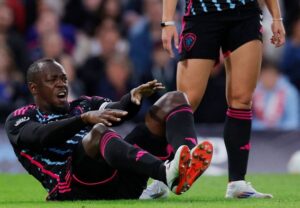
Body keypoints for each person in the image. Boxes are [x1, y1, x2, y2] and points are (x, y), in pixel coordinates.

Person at [5, 58, 213, 200]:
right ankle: (167, 173)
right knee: (98, 132)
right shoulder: (20, 118)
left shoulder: (84, 103)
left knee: (174, 99)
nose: (62, 84)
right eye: (53, 80)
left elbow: (116, 111)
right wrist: (83, 120)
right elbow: (40, 136)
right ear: (34, 88)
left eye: (64, 79)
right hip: (74, 186)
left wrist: (131, 99)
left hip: (120, 180)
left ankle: (186, 163)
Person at [160, 0, 285, 198]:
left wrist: (276, 17)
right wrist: (167, 22)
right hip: (202, 13)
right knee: (184, 102)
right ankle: (162, 177)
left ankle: (237, 182)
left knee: (242, 99)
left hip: (245, 13)